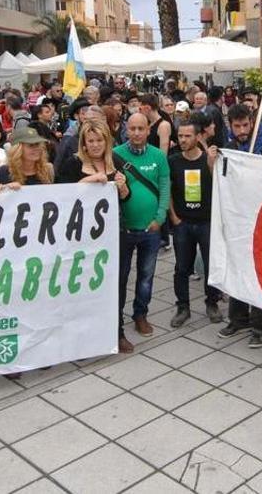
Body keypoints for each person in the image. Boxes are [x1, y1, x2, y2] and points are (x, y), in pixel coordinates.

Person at [56, 117, 133, 352]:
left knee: (117, 282)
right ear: (84, 143)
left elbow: (125, 199)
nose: (96, 145)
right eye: (91, 141)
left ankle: (116, 331)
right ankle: (82, 335)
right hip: (82, 236)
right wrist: (90, 179)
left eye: (100, 140)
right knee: (84, 284)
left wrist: (123, 187)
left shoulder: (115, 162)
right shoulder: (72, 164)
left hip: (113, 233)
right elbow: (61, 195)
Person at [213, 104, 262, 347]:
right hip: (236, 217)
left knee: (258, 271)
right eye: (236, 125)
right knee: (238, 268)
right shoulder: (228, 148)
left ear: (252, 123)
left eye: (245, 125)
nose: (241, 130)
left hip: (261, 216)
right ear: (230, 125)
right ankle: (238, 317)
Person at [115, 112, 171, 339]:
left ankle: (140, 314)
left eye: (141, 128)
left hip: (151, 229)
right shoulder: (115, 155)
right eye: (132, 128)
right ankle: (116, 317)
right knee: (121, 276)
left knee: (146, 275)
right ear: (126, 130)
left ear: (149, 130)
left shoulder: (158, 156)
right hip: (124, 230)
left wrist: (160, 218)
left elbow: (165, 187)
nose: (136, 133)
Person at [167, 114, 222, 328]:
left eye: (188, 136)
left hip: (206, 222)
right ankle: (183, 307)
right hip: (183, 223)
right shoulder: (173, 161)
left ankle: (212, 302)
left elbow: (219, 185)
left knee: (210, 265)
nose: (183, 140)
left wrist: (210, 163)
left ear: (198, 136)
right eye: (180, 136)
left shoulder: (208, 159)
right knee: (182, 267)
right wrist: (174, 217)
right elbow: (168, 190)